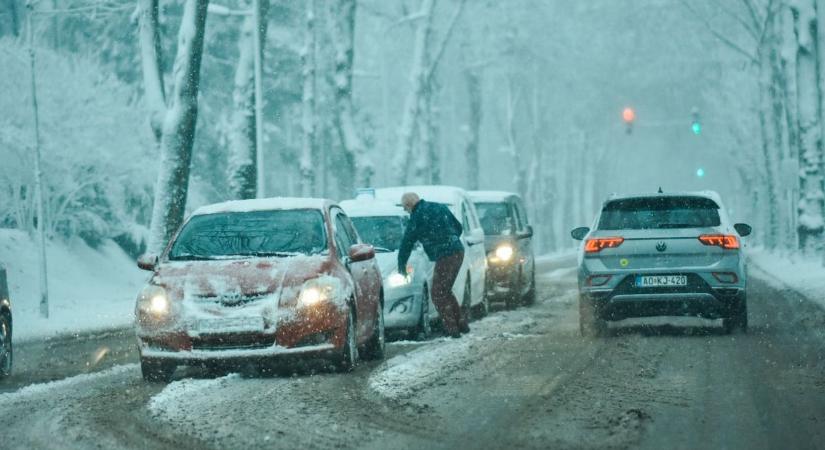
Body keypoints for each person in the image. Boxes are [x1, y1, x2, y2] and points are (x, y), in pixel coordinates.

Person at [397, 192, 469, 338]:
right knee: (445, 290)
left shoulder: (417, 217)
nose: (405, 210)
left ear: (410, 205)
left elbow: (407, 243)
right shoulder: (439, 207)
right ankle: (461, 325)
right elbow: (458, 227)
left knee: (438, 293)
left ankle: (452, 330)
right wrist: (450, 239)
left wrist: (401, 265)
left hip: (446, 255)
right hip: (458, 250)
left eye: (405, 207)